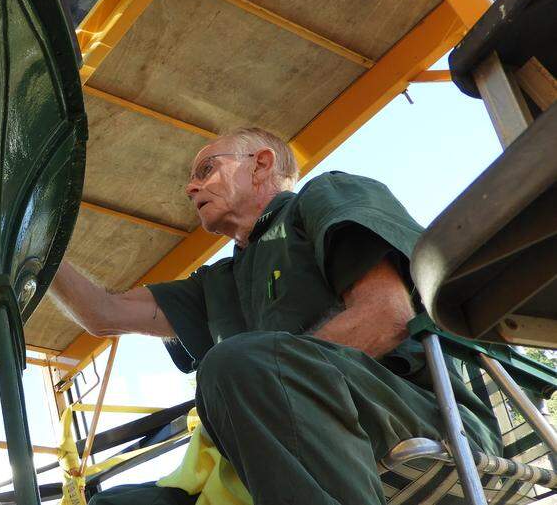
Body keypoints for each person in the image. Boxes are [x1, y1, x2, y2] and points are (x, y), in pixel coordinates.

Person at [49, 127, 500, 505]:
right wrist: (15, 238)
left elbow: (386, 317)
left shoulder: (323, 197)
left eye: (206, 170)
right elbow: (101, 313)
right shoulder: (216, 282)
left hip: (418, 416)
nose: (191, 188)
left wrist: (261, 375)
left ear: (261, 164)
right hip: (271, 456)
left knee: (236, 362)